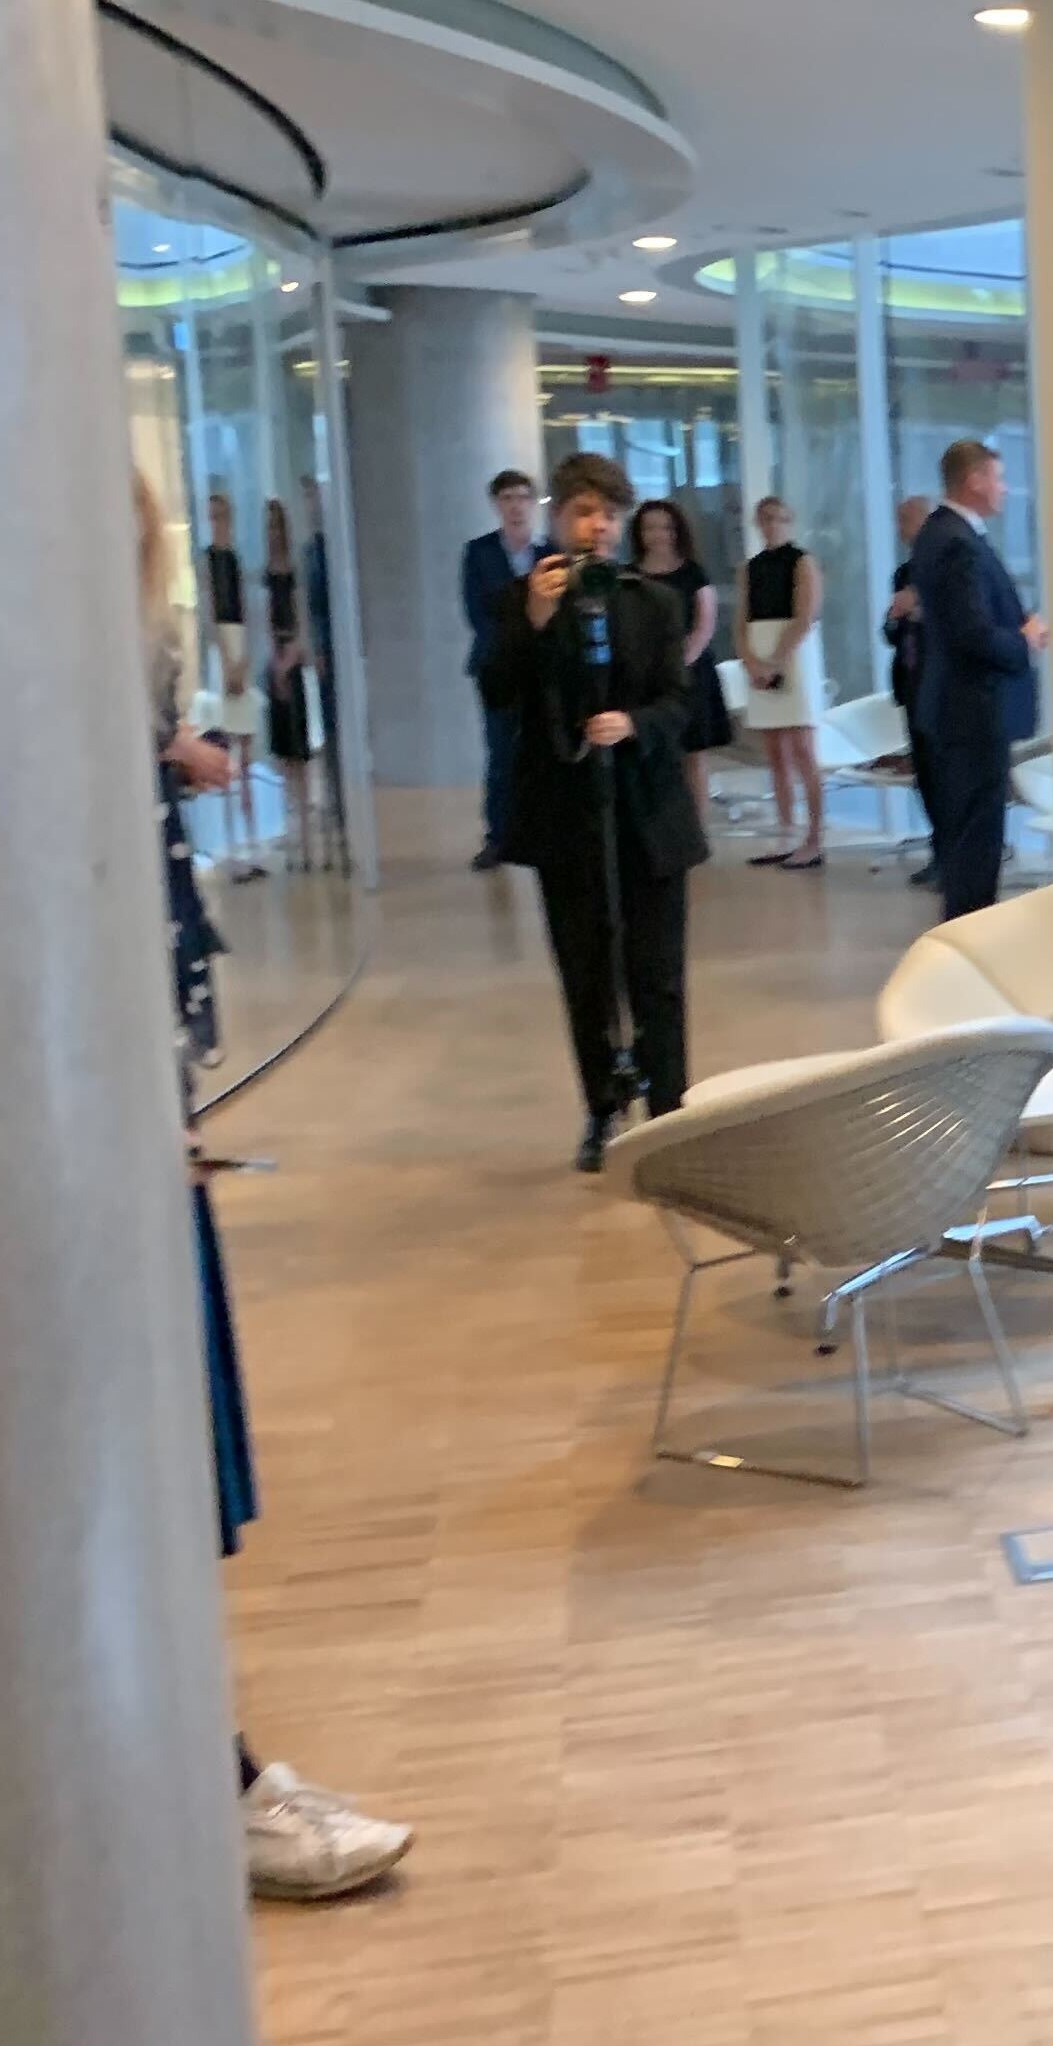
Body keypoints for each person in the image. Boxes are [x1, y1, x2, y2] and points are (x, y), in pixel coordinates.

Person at [130, 471, 417, 1902]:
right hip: (98, 1145)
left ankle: (202, 1762)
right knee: (135, 1466)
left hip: (127, 1120)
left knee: (165, 1468)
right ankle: (196, 1779)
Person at [483, 453, 711, 1173]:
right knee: (585, 974)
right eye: (584, 512)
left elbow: (680, 703)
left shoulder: (656, 603)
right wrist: (536, 616)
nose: (598, 526)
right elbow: (496, 690)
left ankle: (669, 1110)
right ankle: (601, 1108)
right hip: (567, 819)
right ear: (559, 519)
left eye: (609, 513)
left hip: (649, 814)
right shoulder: (524, 599)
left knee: (658, 973)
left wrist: (635, 725)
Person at [908, 440, 1042, 919]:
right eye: (999, 478)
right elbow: (972, 634)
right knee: (975, 840)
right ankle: (971, 937)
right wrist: (1024, 640)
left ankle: (970, 932)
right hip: (972, 711)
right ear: (975, 481)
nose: (1006, 489)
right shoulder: (956, 542)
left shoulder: (945, 534)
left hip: (965, 710)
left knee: (973, 835)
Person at [735, 495, 830, 869]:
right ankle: (786, 832)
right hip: (760, 650)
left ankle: (815, 837)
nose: (773, 524)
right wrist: (751, 661)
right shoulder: (749, 568)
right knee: (775, 752)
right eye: (766, 518)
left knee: (804, 750)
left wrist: (776, 661)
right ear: (758, 523)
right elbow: (741, 620)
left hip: (794, 653)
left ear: (790, 522)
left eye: (780, 518)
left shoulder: (802, 561)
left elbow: (805, 616)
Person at [626, 497, 726, 832]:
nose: (658, 534)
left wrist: (679, 664)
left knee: (692, 754)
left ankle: (696, 828)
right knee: (654, 754)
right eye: (649, 527)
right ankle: (661, 826)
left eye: (665, 527)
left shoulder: (693, 572)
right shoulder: (629, 574)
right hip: (645, 677)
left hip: (689, 673)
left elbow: (705, 624)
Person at [463, 470, 543, 872]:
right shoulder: (479, 553)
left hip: (543, 669)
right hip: (496, 666)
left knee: (544, 749)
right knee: (501, 751)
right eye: (508, 497)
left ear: (532, 503)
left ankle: (543, 831)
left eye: (523, 497)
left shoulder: (549, 554)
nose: (515, 505)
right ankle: (498, 837)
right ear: (496, 504)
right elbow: (478, 613)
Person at [200, 490, 265, 876]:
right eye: (213, 516)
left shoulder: (236, 558)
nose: (218, 522)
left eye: (222, 515)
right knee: (225, 747)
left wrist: (243, 660)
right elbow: (210, 611)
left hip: (239, 645)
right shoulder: (207, 560)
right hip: (221, 649)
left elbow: (248, 609)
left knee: (247, 749)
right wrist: (226, 661)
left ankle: (253, 844)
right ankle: (231, 845)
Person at [260, 499, 328, 870]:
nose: (272, 534)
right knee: (284, 754)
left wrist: (290, 658)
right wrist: (274, 662)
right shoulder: (264, 572)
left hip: (293, 662)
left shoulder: (294, 570)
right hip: (275, 663)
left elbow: (301, 620)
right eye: (268, 527)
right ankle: (293, 828)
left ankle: (306, 828)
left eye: (276, 527)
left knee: (300, 751)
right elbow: (263, 621)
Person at [881, 494, 937, 889]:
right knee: (926, 774)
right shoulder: (903, 573)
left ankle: (955, 854)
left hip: (942, 685)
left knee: (945, 772)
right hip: (911, 681)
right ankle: (939, 848)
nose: (901, 529)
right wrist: (896, 617)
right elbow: (890, 633)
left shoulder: (947, 569)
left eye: (907, 520)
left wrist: (919, 612)